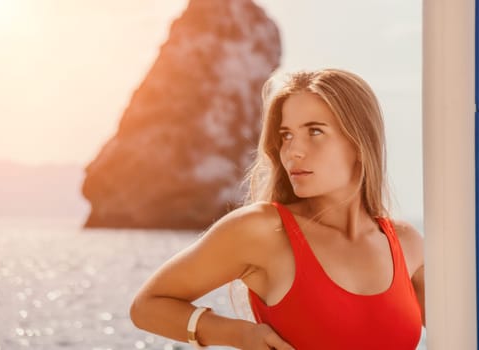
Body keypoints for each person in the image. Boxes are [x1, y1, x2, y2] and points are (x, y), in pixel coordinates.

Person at [130, 69, 425, 349]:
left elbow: (465, 325)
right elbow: (148, 305)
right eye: (286, 135)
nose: (293, 150)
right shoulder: (263, 230)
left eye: (315, 131)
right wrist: (239, 335)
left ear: (360, 143)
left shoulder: (404, 242)